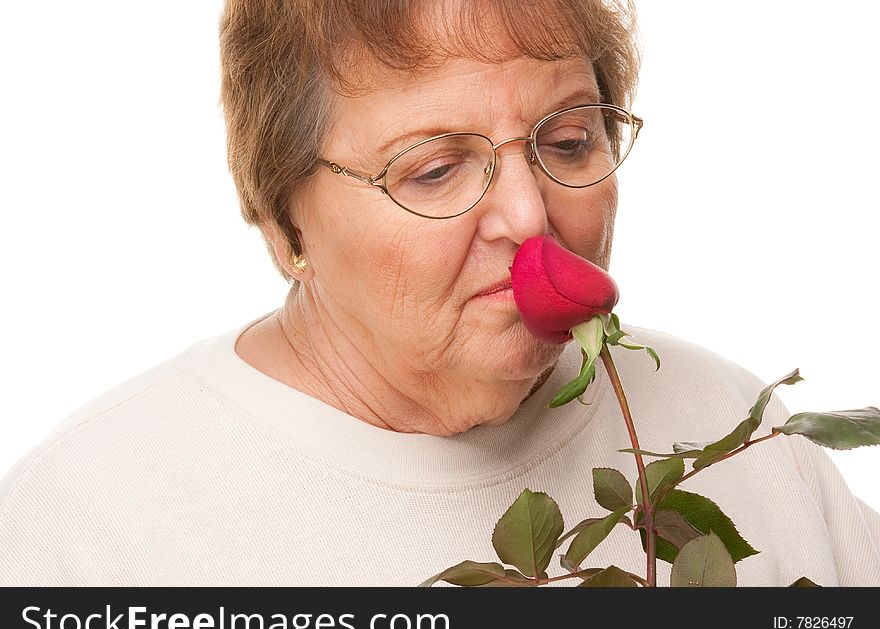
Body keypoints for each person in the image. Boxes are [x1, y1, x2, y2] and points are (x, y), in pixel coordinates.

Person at [0, 0, 877, 587]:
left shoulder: (748, 432)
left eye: (567, 140)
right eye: (436, 167)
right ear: (284, 223)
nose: (530, 214)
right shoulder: (86, 535)